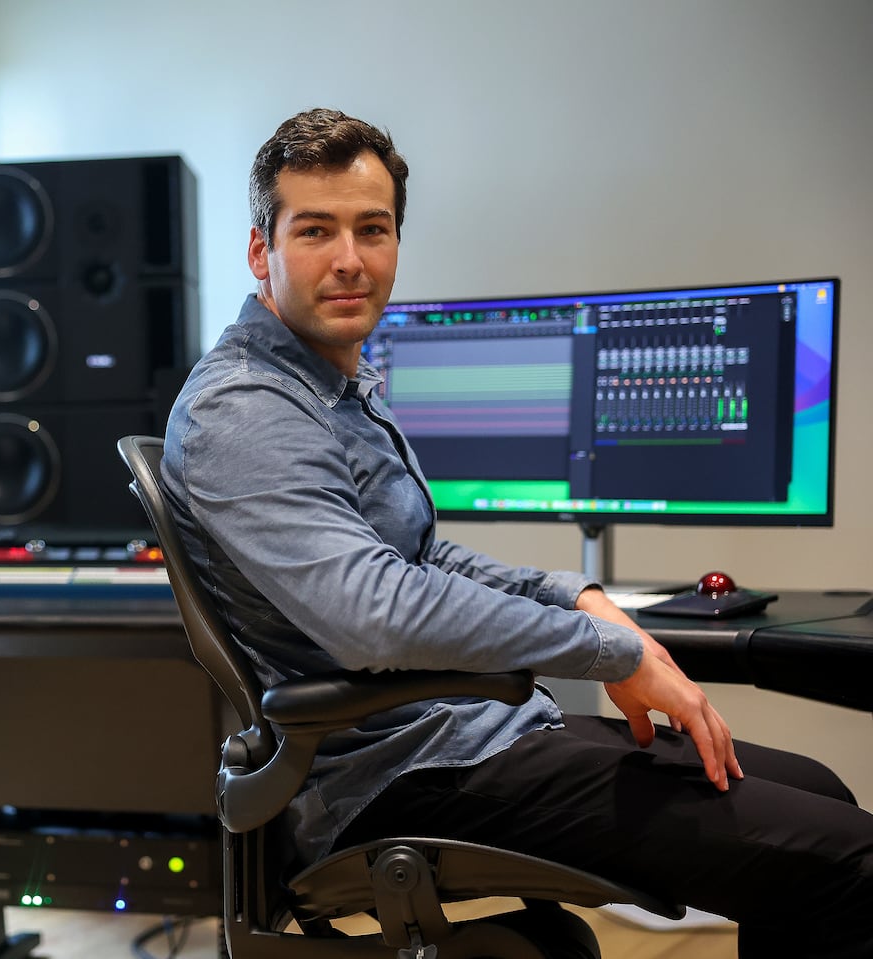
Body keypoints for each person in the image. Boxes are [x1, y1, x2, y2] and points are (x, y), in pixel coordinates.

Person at [160, 107, 873, 957]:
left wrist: (581, 595)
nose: (350, 259)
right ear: (259, 250)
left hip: (464, 733)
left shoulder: (328, 385)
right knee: (846, 863)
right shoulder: (246, 409)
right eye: (315, 230)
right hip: (400, 773)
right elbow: (375, 611)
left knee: (820, 790)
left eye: (372, 229)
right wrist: (611, 651)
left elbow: (422, 555)